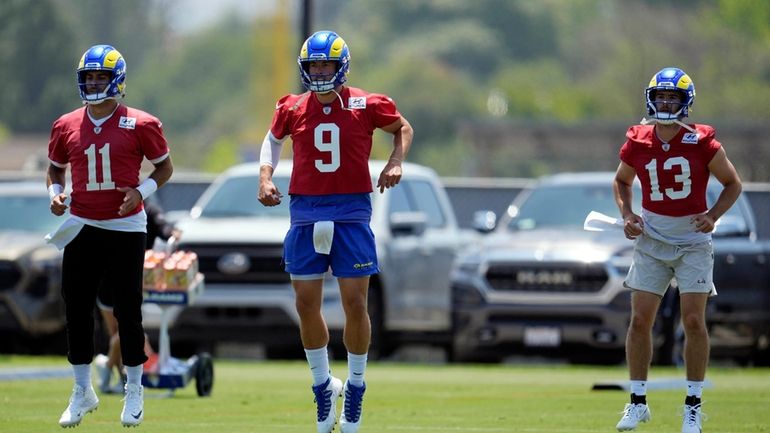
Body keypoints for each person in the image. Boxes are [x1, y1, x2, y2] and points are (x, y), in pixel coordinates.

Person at [257, 30, 413, 433]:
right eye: (315, 65)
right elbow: (271, 142)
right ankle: (323, 385)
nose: (321, 71)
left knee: (355, 303)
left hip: (351, 210)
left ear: (341, 66)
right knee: (306, 303)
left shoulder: (366, 102)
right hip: (306, 209)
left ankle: (357, 386)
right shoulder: (291, 106)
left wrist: (396, 162)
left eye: (327, 64)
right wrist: (265, 177)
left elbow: (403, 127)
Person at [46, 44, 173, 428]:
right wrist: (56, 195)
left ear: (117, 79)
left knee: (127, 312)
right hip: (81, 224)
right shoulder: (66, 124)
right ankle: (82, 390)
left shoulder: (141, 123)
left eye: (101, 76)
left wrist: (141, 192)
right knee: (76, 308)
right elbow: (54, 172)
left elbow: (165, 168)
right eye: (90, 76)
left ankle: (134, 388)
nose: (95, 82)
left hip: (124, 226)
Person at [613, 67, 741, 433]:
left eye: (673, 97)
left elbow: (733, 183)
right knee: (640, 321)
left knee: (693, 321)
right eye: (661, 96)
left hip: (692, 243)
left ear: (686, 102)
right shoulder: (637, 139)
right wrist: (626, 214)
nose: (666, 102)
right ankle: (638, 402)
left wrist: (713, 215)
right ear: (650, 99)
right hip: (652, 240)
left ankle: (693, 407)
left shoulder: (702, 141)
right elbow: (621, 180)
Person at [94, 200, 169, 394]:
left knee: (124, 332)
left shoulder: (147, 209)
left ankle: (109, 369)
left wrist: (172, 232)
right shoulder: (108, 207)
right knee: (119, 334)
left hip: (129, 278)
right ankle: (117, 375)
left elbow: (163, 226)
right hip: (106, 281)